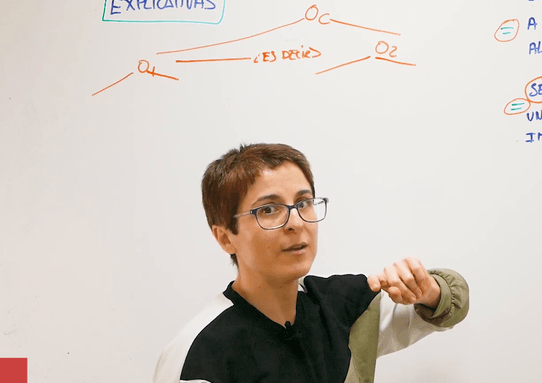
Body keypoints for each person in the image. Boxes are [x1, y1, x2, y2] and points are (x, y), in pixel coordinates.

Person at [153, 143, 469, 383]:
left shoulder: (345, 305)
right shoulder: (200, 352)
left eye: (303, 203)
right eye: (268, 210)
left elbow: (451, 304)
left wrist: (426, 289)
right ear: (225, 238)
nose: (296, 222)